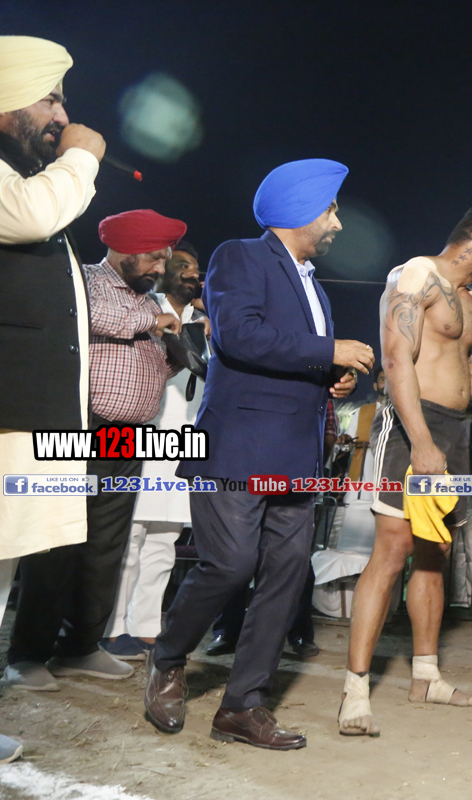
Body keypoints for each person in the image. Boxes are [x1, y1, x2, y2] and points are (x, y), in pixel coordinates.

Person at [146, 159, 374, 751]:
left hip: (296, 457)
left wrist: (334, 377)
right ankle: (167, 657)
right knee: (228, 565)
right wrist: (329, 350)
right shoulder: (239, 256)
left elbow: (300, 357)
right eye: (331, 210)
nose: (338, 223)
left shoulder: (315, 286)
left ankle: (242, 706)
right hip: (237, 449)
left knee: (285, 578)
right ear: (301, 210)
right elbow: (240, 336)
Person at [339, 207, 472, 736]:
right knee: (392, 551)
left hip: (455, 432)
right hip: (413, 426)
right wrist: (421, 441)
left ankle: (426, 676)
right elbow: (395, 359)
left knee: (437, 551)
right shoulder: (416, 275)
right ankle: (355, 690)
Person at [7, 210, 186, 689]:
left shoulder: (148, 301)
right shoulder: (86, 281)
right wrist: (155, 320)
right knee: (57, 545)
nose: (159, 268)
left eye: (164, 259)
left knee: (106, 547)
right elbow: (96, 318)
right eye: (153, 258)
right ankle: (27, 655)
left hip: (129, 437)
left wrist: (175, 350)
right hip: (81, 429)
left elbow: (147, 361)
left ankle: (81, 646)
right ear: (125, 250)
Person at [0, 36, 106, 761]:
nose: (63, 117)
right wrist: (83, 156)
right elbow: (34, 215)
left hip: (23, 418)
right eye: (50, 98)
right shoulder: (26, 191)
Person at [101, 241, 206, 661]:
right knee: (129, 538)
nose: (191, 273)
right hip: (143, 436)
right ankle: (112, 628)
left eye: (196, 267)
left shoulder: (207, 322)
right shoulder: (146, 310)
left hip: (185, 443)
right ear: (161, 271)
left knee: (165, 540)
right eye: (181, 265)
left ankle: (146, 627)